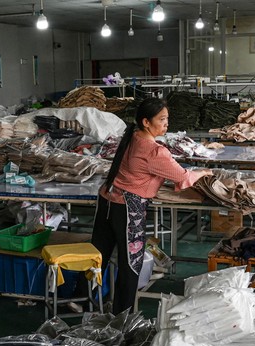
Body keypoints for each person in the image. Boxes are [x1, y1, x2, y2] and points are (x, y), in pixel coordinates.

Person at [90, 97, 212, 314]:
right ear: (146, 122)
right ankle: (122, 316)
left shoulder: (132, 137)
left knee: (97, 257)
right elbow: (182, 178)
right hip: (128, 209)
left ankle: (85, 302)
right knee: (130, 265)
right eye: (162, 119)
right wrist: (202, 172)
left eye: (167, 119)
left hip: (107, 200)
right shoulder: (155, 151)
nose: (167, 124)